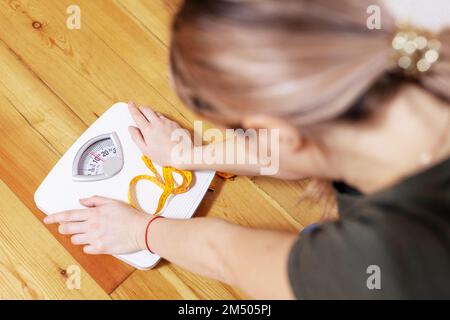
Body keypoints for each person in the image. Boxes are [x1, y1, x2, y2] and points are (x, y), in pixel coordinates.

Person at [44, 0, 450, 299]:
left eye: (244, 130)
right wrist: (187, 157)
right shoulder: (417, 50)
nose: (244, 139)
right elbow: (287, 146)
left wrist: (140, 230)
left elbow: (226, 254)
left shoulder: (378, 259)